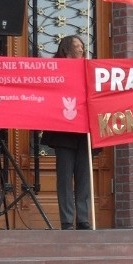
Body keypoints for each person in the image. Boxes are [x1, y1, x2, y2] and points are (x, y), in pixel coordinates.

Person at [41, 35, 91, 230]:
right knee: (64, 179)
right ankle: (67, 220)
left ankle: (84, 219)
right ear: (66, 49)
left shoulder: (89, 69)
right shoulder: (55, 68)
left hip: (83, 132)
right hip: (63, 132)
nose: (81, 49)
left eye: (82, 46)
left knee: (84, 178)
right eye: (77, 46)